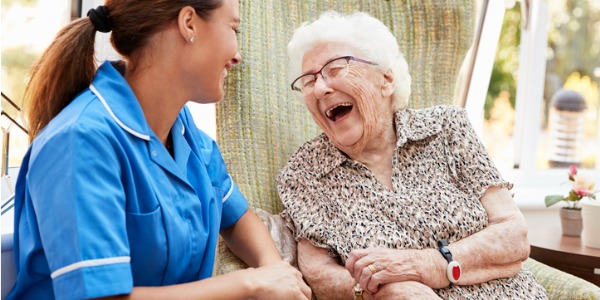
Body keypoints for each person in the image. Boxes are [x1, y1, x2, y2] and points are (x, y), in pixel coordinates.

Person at [8, 1, 311, 299]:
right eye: (233, 28)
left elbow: (236, 216)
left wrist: (275, 270)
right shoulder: (80, 142)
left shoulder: (182, 131)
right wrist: (253, 284)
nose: (237, 56)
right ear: (189, 23)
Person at [277, 11, 547, 299]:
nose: (320, 88)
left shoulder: (446, 127)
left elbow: (513, 234)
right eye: (308, 80)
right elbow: (320, 275)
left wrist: (427, 265)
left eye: (335, 69)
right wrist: (391, 290)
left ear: (386, 80)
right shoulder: (304, 173)